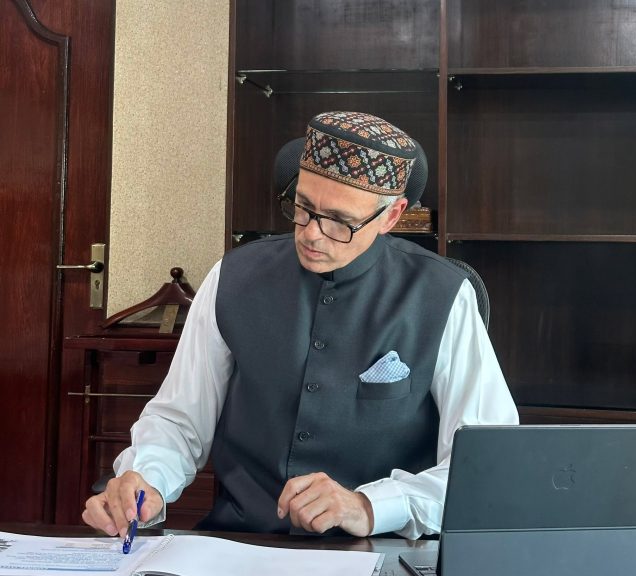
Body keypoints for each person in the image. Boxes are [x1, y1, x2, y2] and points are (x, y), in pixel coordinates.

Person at [82, 110, 518, 540]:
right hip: (244, 542)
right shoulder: (233, 276)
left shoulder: (444, 294)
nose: (311, 234)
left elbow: (486, 466)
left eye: (340, 221)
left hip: (378, 550)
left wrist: (369, 506)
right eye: (303, 208)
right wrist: (145, 480)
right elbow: (180, 420)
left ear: (391, 216)